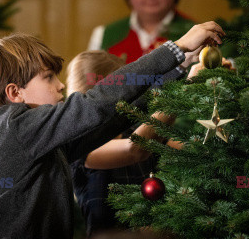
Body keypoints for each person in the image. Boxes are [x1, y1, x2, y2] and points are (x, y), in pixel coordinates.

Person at [0, 22, 226, 239]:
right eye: (48, 77)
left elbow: (115, 115)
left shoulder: (44, 143)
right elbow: (97, 104)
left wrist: (180, 69)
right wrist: (176, 48)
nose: (60, 86)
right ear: (15, 93)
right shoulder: (13, 125)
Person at [67, 50, 188, 237]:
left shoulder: (133, 130)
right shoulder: (80, 147)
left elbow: (190, 152)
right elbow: (134, 148)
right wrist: (181, 91)